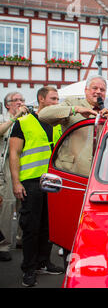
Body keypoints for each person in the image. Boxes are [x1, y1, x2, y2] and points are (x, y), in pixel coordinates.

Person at [9, 86, 64, 287]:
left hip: (53, 183)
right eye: (53, 98)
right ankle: (29, 269)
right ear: (41, 99)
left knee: (49, 227)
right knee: (31, 228)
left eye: (58, 98)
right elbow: (14, 154)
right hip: (31, 182)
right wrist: (16, 182)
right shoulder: (23, 123)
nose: (56, 102)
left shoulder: (57, 123)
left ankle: (44, 262)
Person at [39, 75, 108, 177]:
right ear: (86, 90)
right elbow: (43, 114)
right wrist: (75, 109)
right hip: (70, 172)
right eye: (94, 88)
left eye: (102, 90)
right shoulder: (73, 103)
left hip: (96, 175)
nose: (99, 91)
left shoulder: (107, 113)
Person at [0, 92, 28, 261]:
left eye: (21, 100)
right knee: (8, 205)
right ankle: (3, 245)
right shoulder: (4, 118)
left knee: (24, 204)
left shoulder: (26, 120)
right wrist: (15, 116)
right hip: (6, 168)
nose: (19, 102)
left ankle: (20, 238)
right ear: (7, 105)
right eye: (15, 100)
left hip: (24, 166)